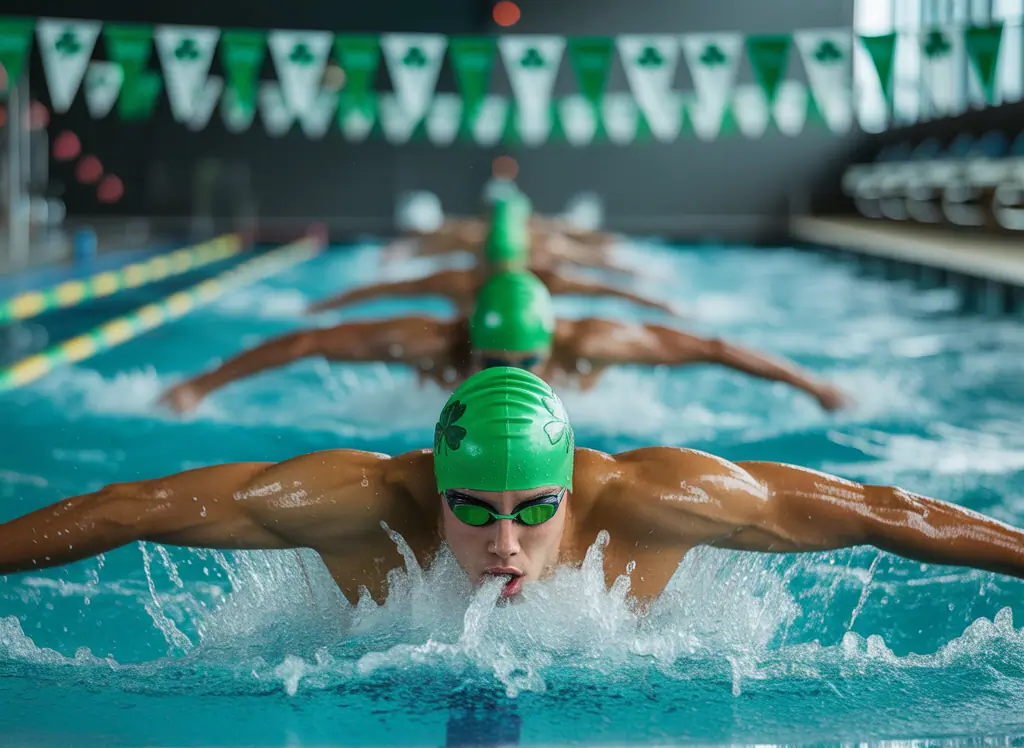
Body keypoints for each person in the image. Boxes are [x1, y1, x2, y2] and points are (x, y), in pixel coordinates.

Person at [4, 367, 1024, 608]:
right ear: (430, 490)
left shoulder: (657, 498)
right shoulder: (354, 497)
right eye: (475, 512)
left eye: (534, 511)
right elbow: (123, 507)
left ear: (572, 496)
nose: (505, 545)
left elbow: (888, 511)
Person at [159, 270, 847, 413]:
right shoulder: (429, 340)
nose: (516, 374)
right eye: (494, 363)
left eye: (528, 362)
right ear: (468, 344)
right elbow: (306, 344)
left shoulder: (592, 341)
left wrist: (815, 387)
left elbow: (715, 348)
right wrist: (199, 386)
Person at [308, 195, 676, 318]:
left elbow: (604, 282)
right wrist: (322, 307)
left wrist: (659, 298)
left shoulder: (547, 250)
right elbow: (386, 290)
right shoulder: (464, 255)